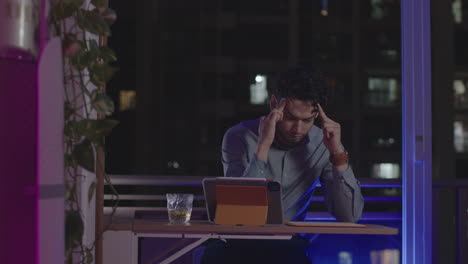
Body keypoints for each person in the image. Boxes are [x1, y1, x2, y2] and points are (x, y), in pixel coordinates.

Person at [201, 65, 364, 264]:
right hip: (235, 241)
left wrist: (338, 154)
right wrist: (263, 145)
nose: (298, 129)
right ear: (273, 104)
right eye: (290, 118)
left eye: (307, 120)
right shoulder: (238, 136)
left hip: (286, 246)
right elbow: (239, 212)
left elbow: (349, 216)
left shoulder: (323, 143)